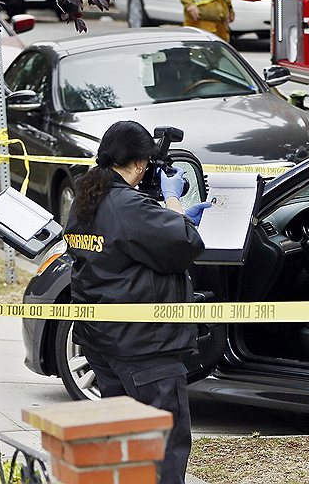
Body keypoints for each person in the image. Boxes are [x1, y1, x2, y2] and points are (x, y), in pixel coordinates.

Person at [64, 120, 212, 484]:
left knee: (128, 446)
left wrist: (162, 214)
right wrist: (175, 203)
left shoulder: (88, 194)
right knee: (164, 447)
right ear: (139, 162)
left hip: (105, 343)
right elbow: (186, 244)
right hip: (146, 347)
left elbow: (123, 250)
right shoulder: (126, 205)